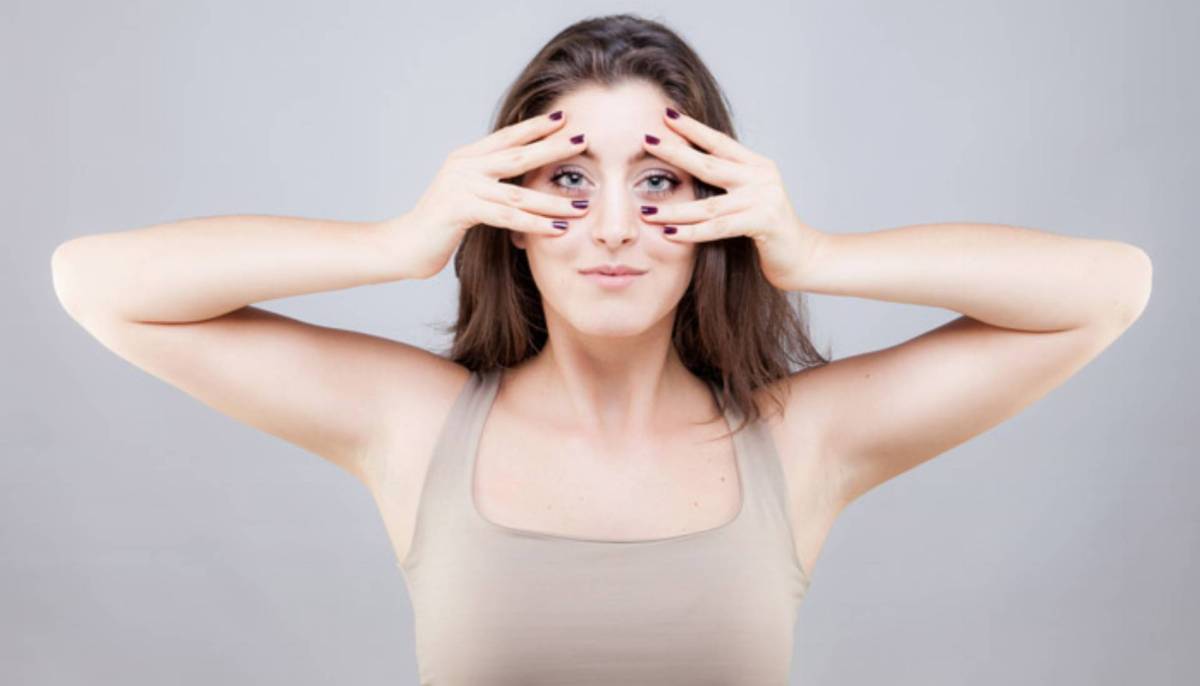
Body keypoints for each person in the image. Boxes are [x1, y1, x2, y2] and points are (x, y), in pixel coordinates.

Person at [50, 12, 1152, 686]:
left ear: (719, 205)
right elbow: (94, 283)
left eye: (660, 180)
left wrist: (809, 251)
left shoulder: (797, 440)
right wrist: (399, 240)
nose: (615, 224)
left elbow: (1107, 290)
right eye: (568, 180)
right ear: (503, 207)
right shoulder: (419, 424)